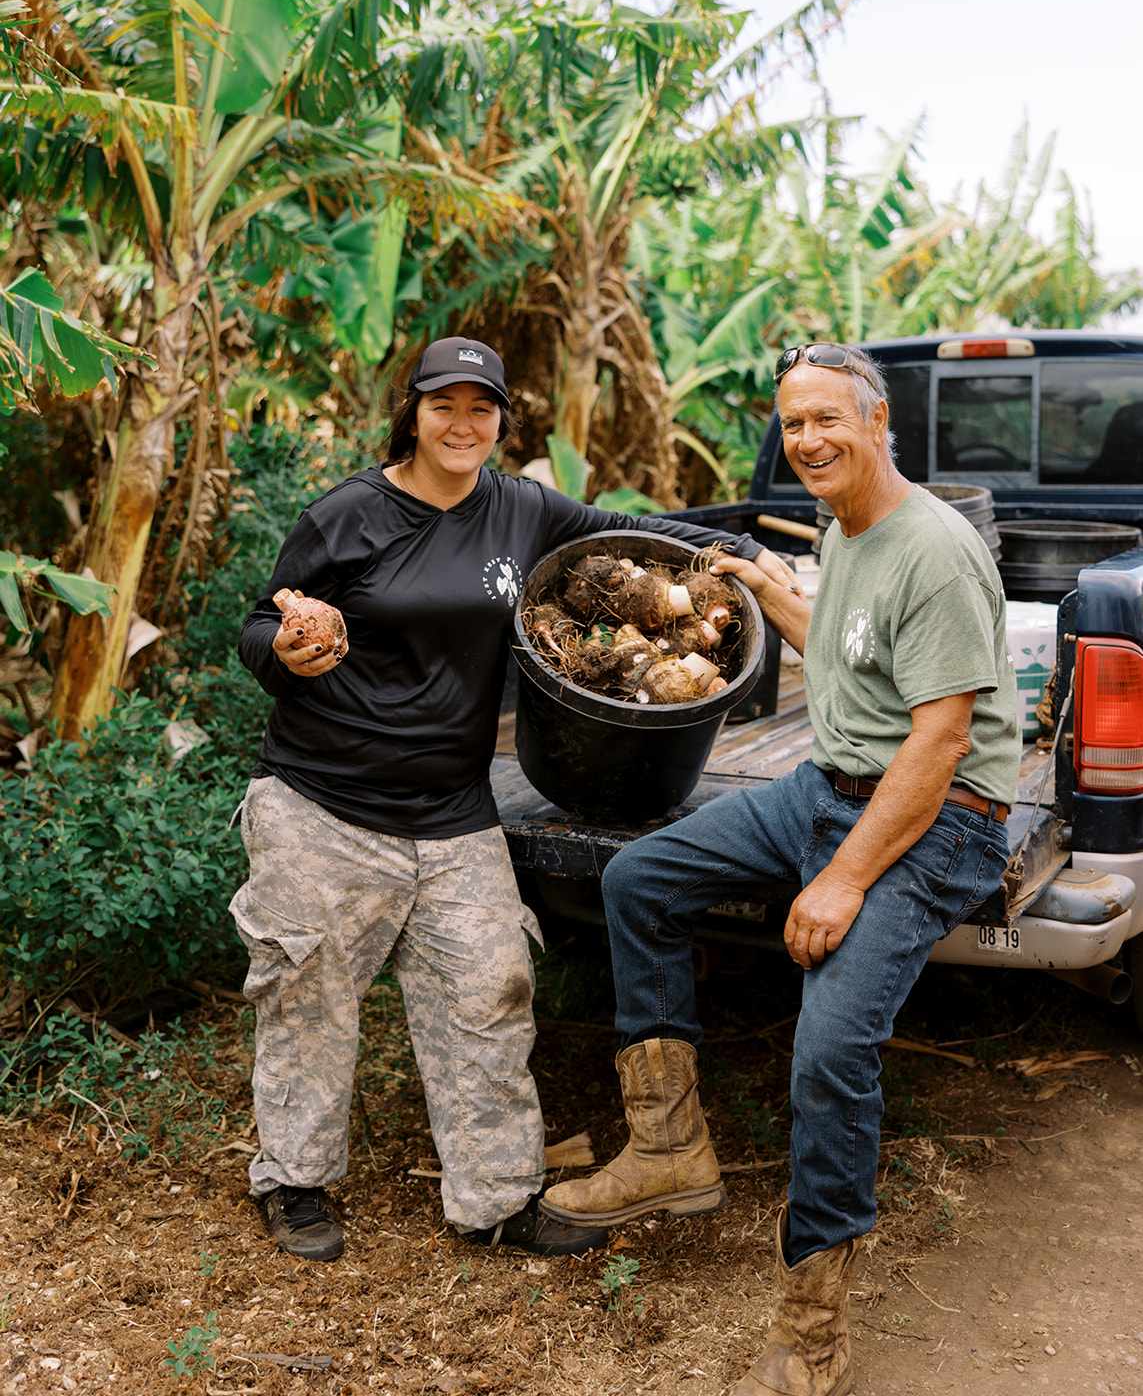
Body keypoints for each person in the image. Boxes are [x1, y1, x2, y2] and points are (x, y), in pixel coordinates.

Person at [230, 335, 781, 1264]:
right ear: (412, 411)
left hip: (452, 807)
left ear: (499, 422)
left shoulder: (520, 509)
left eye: (479, 408)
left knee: (490, 992)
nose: (461, 423)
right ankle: (293, 1180)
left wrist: (727, 549)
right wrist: (285, 650)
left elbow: (631, 535)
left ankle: (495, 1197)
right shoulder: (349, 514)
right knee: (309, 995)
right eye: (443, 404)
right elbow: (259, 623)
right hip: (325, 802)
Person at [541, 341, 1019, 1395]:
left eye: (826, 420)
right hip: (833, 785)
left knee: (828, 1046)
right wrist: (770, 588)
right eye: (792, 424)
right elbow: (850, 652)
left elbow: (938, 747)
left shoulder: (932, 549)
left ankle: (813, 1331)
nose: (806, 441)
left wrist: (843, 877)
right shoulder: (846, 528)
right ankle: (670, 1149)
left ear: (878, 418)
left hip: (937, 816)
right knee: (639, 880)